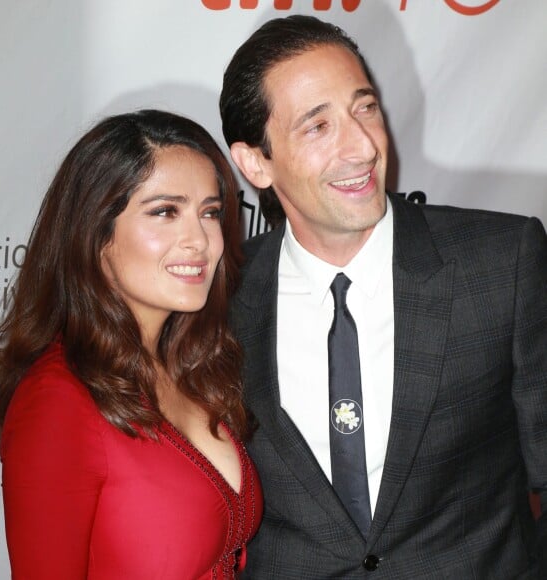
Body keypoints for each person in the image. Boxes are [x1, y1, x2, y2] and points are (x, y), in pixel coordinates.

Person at [219, 14, 547, 578]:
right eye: (317, 127)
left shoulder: (502, 262)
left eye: (364, 108)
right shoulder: (221, 300)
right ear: (255, 162)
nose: (362, 146)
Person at [0, 109, 263, 579]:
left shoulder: (192, 367)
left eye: (209, 212)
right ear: (96, 234)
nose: (199, 240)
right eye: (165, 212)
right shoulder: (58, 400)